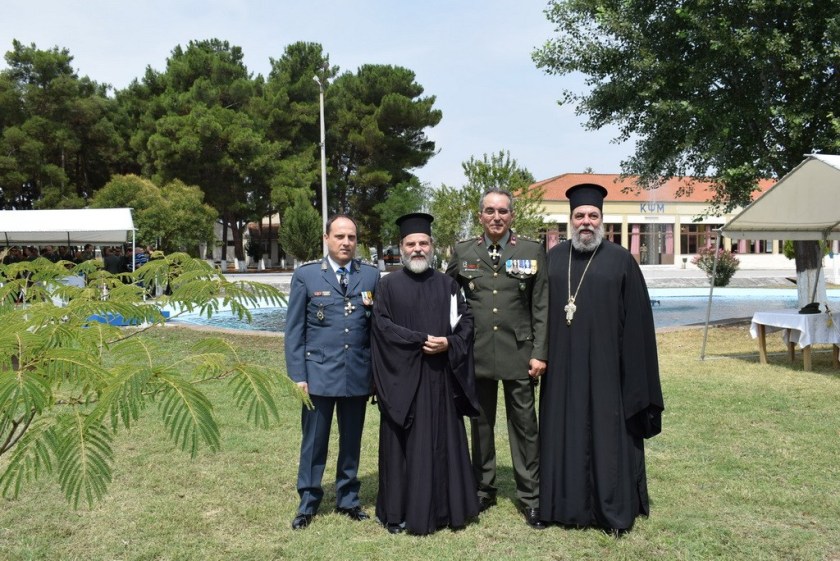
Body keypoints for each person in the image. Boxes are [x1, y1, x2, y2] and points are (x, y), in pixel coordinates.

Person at [540, 183, 664, 535]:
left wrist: (634, 374)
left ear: (602, 221)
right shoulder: (554, 258)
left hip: (609, 368)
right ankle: (563, 507)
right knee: (564, 430)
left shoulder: (621, 260)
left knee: (608, 436)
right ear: (570, 220)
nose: (586, 222)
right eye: (579, 216)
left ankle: (610, 510)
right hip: (563, 367)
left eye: (593, 216)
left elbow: (639, 322)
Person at [372, 212, 480, 535]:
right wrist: (418, 340)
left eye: (423, 243)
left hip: (439, 381)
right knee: (401, 448)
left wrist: (448, 343)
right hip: (402, 382)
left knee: (442, 444)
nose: (417, 248)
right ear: (401, 247)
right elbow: (381, 328)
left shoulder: (448, 285)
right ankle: (398, 512)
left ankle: (446, 509)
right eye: (411, 243)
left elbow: (466, 323)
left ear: (432, 246)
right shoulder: (387, 286)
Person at [446, 188, 548, 529]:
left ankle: (530, 496)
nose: (496, 217)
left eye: (503, 211)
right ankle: (483, 489)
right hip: (477, 353)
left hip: (519, 353)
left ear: (512, 216)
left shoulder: (532, 250)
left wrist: (540, 353)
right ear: (480, 216)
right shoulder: (463, 251)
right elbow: (442, 294)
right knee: (481, 424)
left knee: (525, 427)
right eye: (490, 211)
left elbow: (541, 306)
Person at [284, 214, 380, 530]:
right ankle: (308, 502)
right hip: (318, 375)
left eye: (351, 237)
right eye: (339, 236)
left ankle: (348, 499)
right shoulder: (308, 276)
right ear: (326, 238)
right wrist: (298, 375)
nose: (346, 243)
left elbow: (375, 331)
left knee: (351, 440)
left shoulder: (370, 276)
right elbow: (294, 331)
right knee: (314, 443)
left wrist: (376, 377)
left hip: (356, 374)